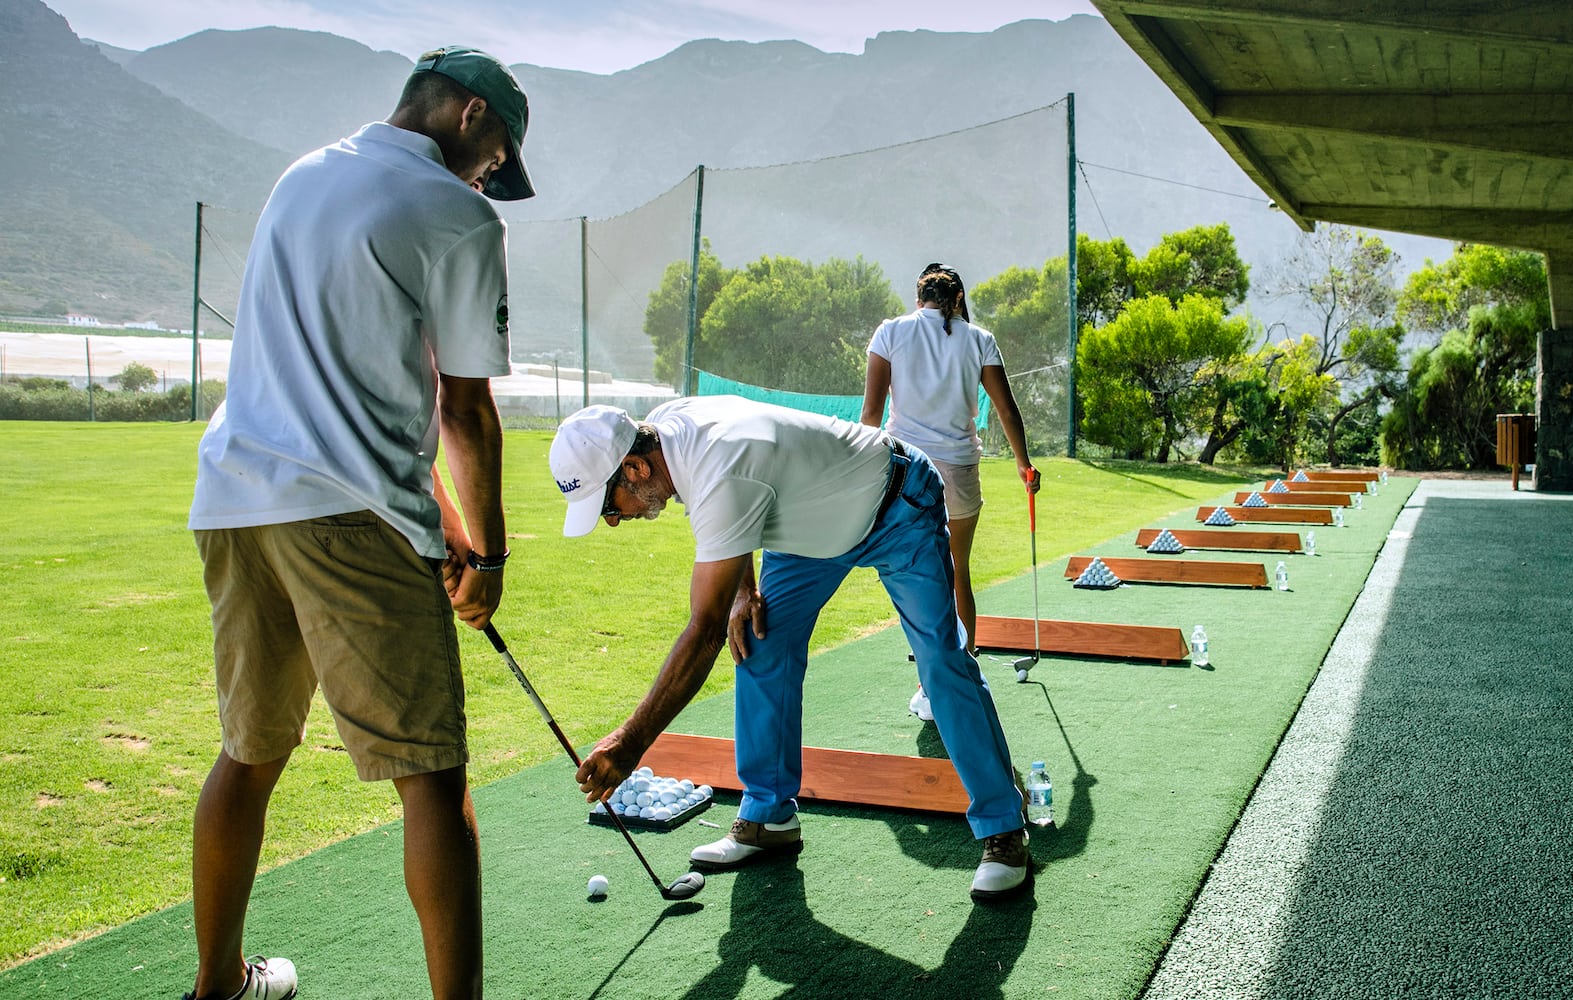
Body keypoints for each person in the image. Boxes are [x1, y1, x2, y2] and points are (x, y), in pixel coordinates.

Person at [182, 46, 534, 1000]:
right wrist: (489, 554)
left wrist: (443, 520)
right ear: (470, 115)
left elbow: (355, 379)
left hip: (236, 503)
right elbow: (465, 409)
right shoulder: (461, 214)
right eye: (497, 155)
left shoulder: (303, 176)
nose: (491, 174)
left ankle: (219, 988)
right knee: (431, 776)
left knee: (248, 755)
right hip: (349, 524)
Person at [549, 398, 1033, 900]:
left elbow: (705, 631)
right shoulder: (668, 432)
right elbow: (739, 514)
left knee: (940, 662)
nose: (612, 521)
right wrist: (745, 590)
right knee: (758, 641)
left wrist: (629, 743)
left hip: (896, 503)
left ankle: (1003, 827)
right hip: (808, 529)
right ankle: (768, 816)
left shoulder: (717, 467)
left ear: (635, 468)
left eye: (608, 507)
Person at [860, 263, 1039, 723]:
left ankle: (929, 682)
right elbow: (1007, 410)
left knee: (917, 577)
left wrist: (856, 471)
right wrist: (1023, 464)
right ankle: (961, 678)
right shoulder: (979, 338)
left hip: (904, 474)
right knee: (958, 570)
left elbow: (871, 414)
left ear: (918, 297)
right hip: (959, 471)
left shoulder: (891, 332)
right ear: (958, 298)